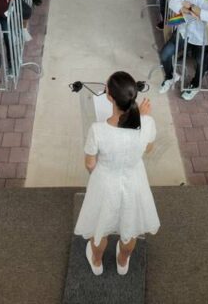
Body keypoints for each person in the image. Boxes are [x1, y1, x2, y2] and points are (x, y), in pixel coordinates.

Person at [74, 71, 159, 277]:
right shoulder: (146, 123)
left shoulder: (97, 130)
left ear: (109, 97)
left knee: (99, 226)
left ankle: (96, 260)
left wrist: (99, 176)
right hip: (134, 181)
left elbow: (89, 163)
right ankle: (122, 261)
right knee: (129, 224)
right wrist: (144, 118)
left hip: (105, 182)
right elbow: (148, 149)